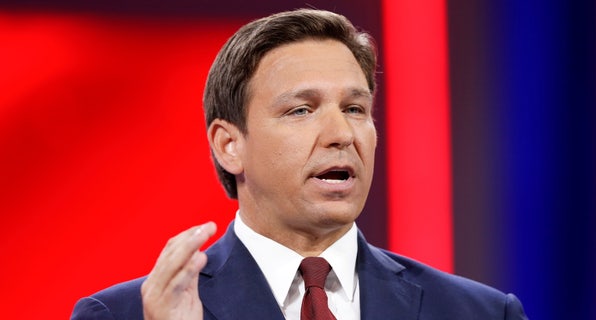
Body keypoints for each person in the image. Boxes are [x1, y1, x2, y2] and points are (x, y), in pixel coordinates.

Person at [71, 8, 528, 320]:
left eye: (355, 109)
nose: (341, 135)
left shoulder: (479, 312)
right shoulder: (126, 314)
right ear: (230, 145)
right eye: (301, 110)